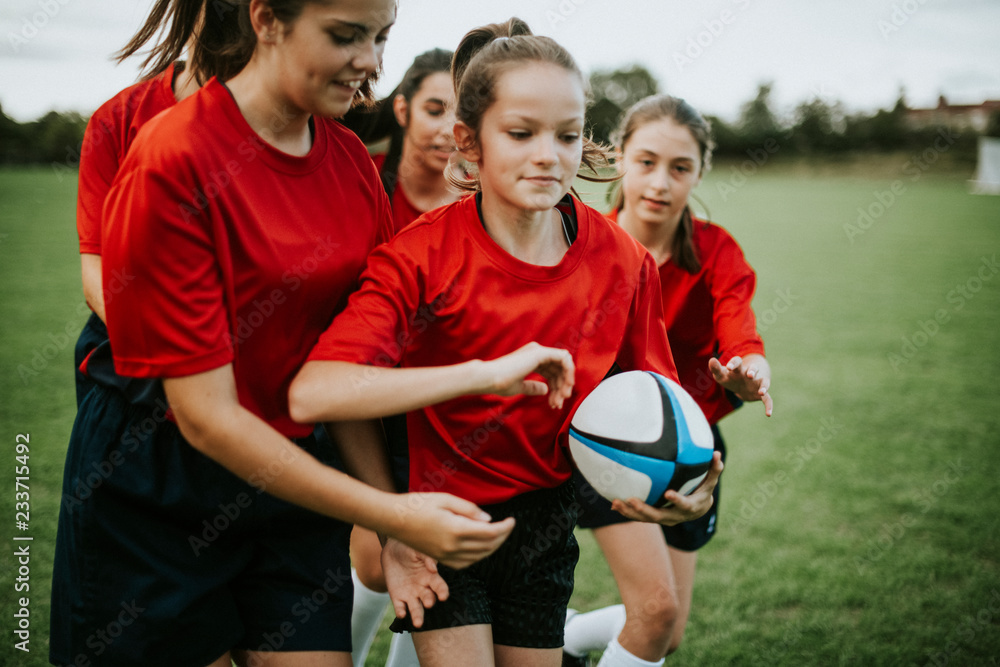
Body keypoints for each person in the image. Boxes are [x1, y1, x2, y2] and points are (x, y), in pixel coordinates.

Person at [49, 1, 513, 666]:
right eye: (345, 36)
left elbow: (343, 372)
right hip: (158, 489)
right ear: (266, 20)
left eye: (381, 37)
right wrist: (400, 515)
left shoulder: (353, 162)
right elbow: (206, 417)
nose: (372, 62)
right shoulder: (171, 157)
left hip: (294, 485)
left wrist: (393, 526)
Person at [288, 19, 724, 667]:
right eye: (521, 134)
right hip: (441, 516)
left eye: (568, 134)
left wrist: (683, 474)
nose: (548, 154)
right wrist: (396, 524)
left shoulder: (624, 262)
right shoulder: (417, 256)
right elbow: (322, 389)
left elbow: (649, 398)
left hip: (545, 522)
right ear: (471, 140)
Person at [563, 94, 773, 667]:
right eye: (647, 160)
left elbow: (741, 330)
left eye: (680, 168)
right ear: (621, 157)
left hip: (693, 449)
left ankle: (558, 640)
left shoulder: (716, 250)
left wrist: (749, 371)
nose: (660, 181)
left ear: (700, 172)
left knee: (669, 629)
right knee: (654, 615)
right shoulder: (582, 243)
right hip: (606, 444)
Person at [337, 47, 463, 667]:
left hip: (448, 404)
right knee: (372, 554)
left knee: (437, 567)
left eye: (459, 113)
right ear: (405, 108)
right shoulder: (360, 177)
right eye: (435, 107)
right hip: (363, 391)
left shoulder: (478, 201)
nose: (447, 126)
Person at [73, 2, 203, 406]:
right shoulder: (119, 118)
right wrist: (183, 362)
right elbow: (97, 269)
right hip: (138, 369)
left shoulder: (299, 128)